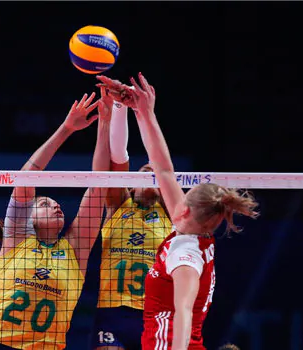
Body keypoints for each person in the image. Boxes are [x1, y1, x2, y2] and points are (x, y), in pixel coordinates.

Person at [97, 72, 259, 350]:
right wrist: (143, 111)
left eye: (186, 196)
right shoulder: (190, 229)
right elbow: (163, 168)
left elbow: (184, 312)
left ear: (185, 211)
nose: (178, 196)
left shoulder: (185, 256)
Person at [0, 90, 113, 350]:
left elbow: (99, 185)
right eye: (45, 203)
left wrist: (105, 123)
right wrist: (66, 128)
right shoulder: (16, 241)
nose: (56, 205)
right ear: (29, 218)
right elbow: (26, 178)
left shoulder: (75, 250)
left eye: (56, 203)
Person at [92, 98, 172, 349]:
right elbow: (118, 157)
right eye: (143, 172)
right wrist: (119, 106)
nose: (150, 174)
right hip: (111, 310)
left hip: (154, 314)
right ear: (130, 182)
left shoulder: (171, 214)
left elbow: (163, 164)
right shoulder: (118, 205)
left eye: (154, 175)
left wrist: (146, 113)